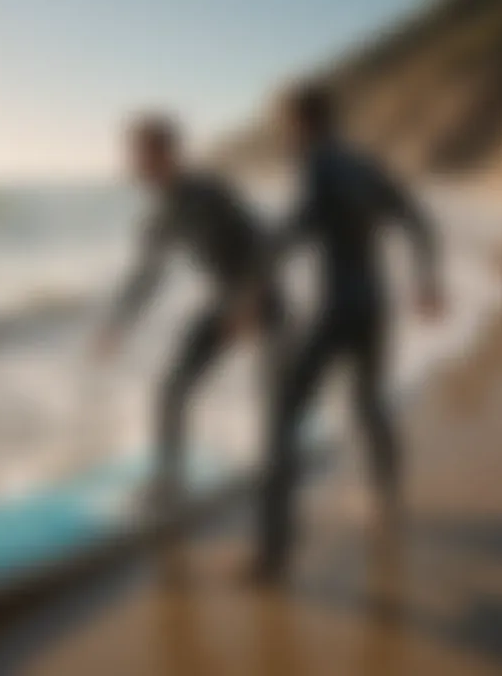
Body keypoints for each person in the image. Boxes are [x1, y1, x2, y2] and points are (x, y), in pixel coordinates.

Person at [244, 84, 444, 579]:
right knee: (368, 401)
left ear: (301, 122)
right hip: (374, 307)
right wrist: (426, 280)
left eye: (284, 124)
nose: (282, 135)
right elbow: (417, 219)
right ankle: (386, 497)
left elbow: (299, 225)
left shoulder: (316, 163)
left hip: (337, 310)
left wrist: (254, 280)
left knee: (284, 414)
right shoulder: (364, 163)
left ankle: (274, 550)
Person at [95, 114, 286, 504]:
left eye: (139, 154)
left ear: (166, 154)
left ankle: (277, 479)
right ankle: (170, 484)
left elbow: (265, 244)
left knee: (273, 397)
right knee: (171, 388)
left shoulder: (208, 191)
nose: (131, 164)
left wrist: (248, 304)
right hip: (224, 303)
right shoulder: (161, 213)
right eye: (131, 155)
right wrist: (117, 323)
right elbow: (147, 275)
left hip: (263, 300)